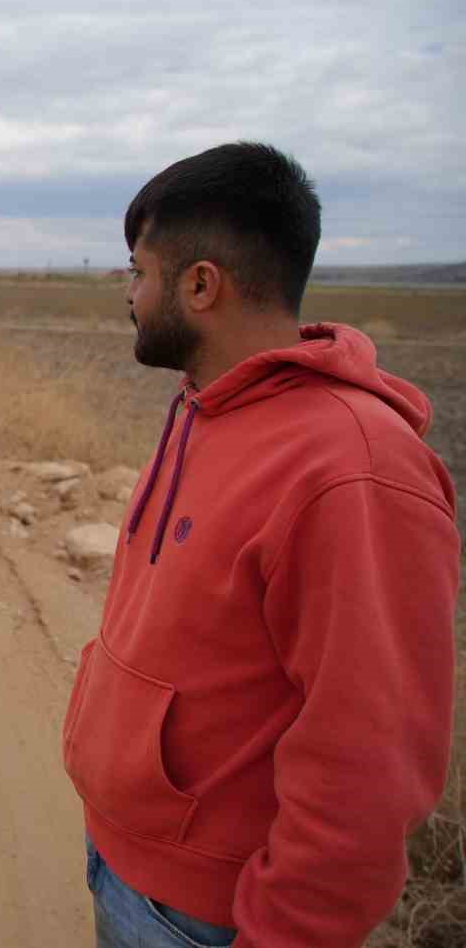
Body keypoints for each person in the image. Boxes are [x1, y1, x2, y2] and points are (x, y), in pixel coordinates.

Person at [62, 142, 459, 947]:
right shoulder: (206, 405)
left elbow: (368, 764)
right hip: (126, 861)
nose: (129, 294)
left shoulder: (352, 468)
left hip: (206, 916)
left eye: (139, 272)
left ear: (201, 285)